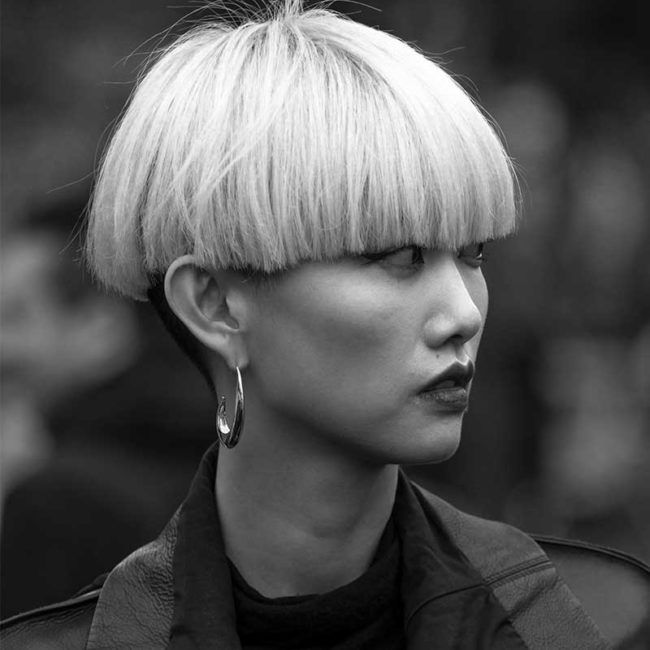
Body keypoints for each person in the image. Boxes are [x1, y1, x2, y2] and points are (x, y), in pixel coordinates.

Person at [2, 1, 648, 648]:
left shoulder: (592, 624)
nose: (464, 313)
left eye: (472, 253)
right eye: (398, 256)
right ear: (214, 305)